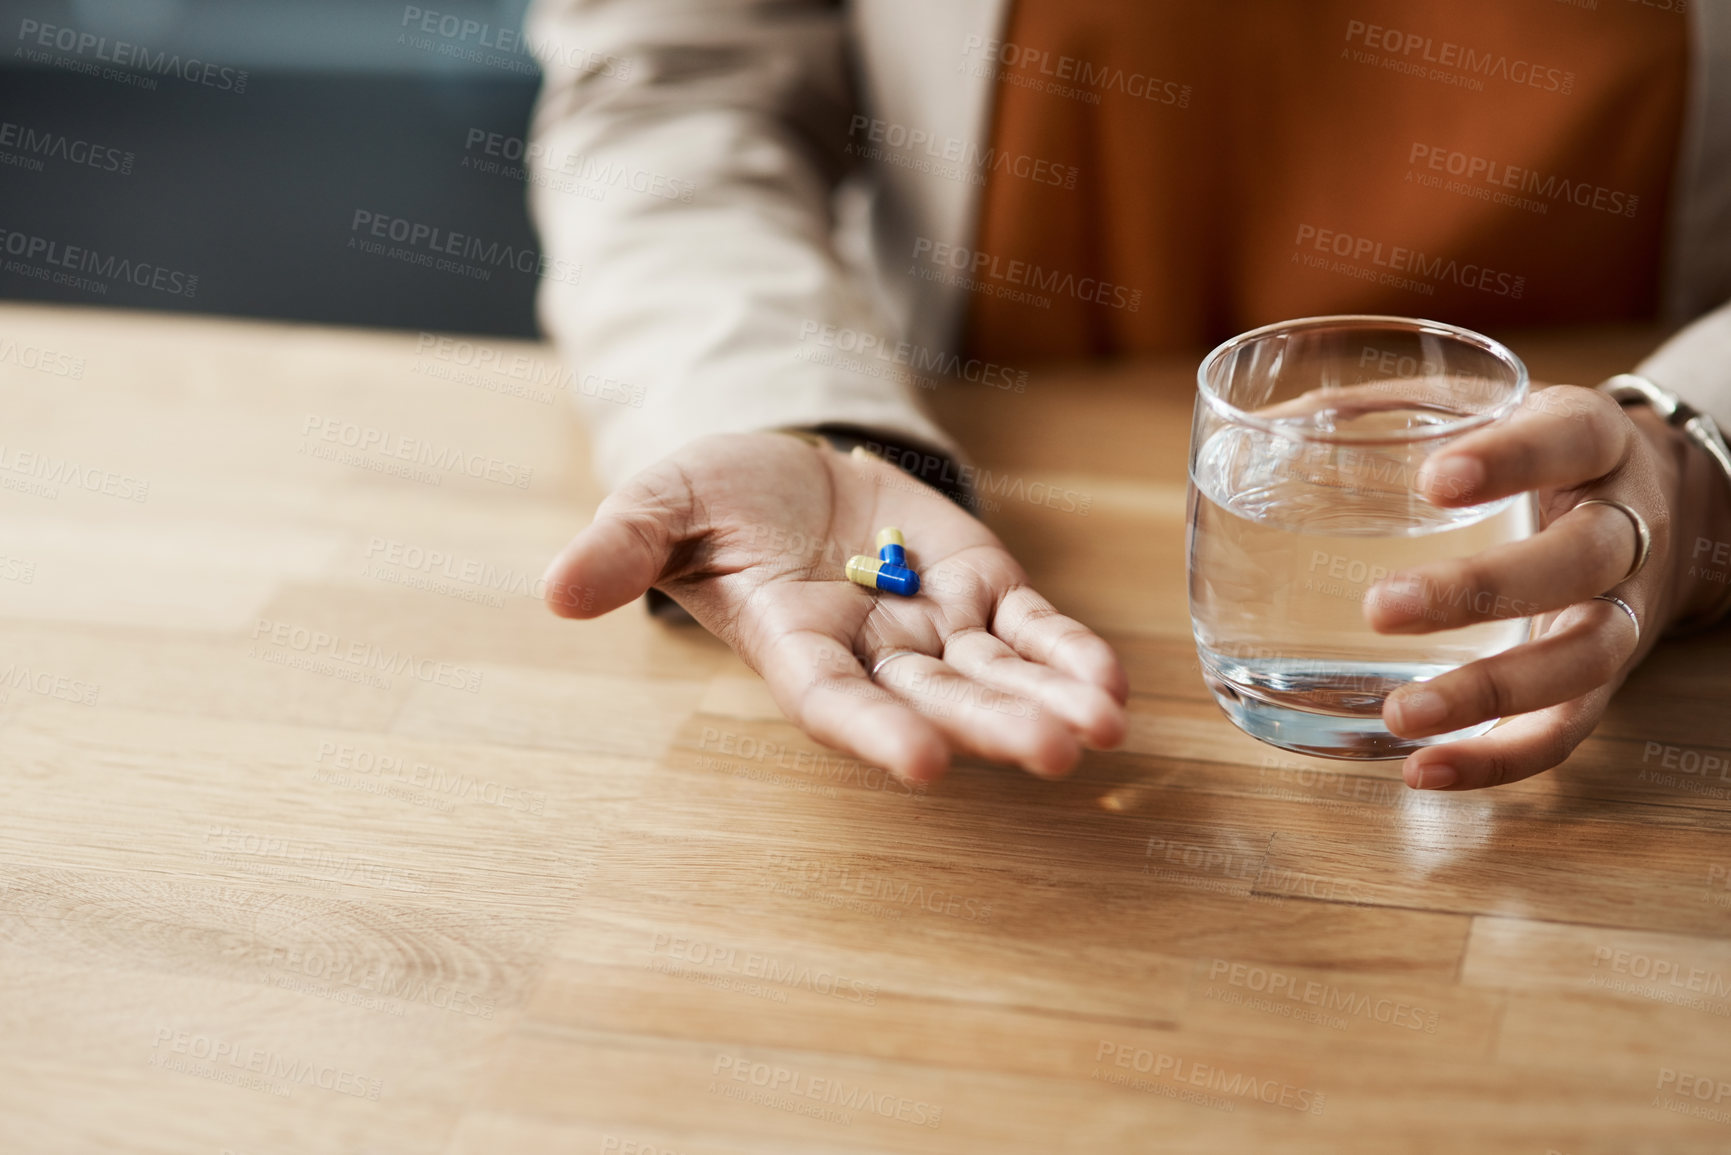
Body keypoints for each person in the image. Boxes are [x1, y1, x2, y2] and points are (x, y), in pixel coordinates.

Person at [521, 0, 1731, 791]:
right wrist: (791, 408)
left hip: (1647, 676)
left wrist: (1697, 432)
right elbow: (672, 89)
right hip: (1012, 461)